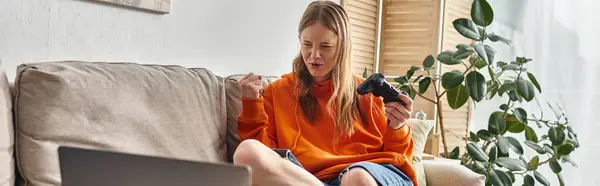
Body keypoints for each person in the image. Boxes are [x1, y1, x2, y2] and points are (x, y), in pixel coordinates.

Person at [233, 1, 416, 186]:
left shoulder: (369, 92)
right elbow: (267, 156)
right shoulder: (277, 91)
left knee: (356, 177)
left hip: (367, 173)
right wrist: (251, 105)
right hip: (304, 178)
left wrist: (398, 128)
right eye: (307, 44)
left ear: (342, 46)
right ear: (299, 39)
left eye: (325, 46)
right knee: (247, 152)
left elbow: (398, 157)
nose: (314, 55)